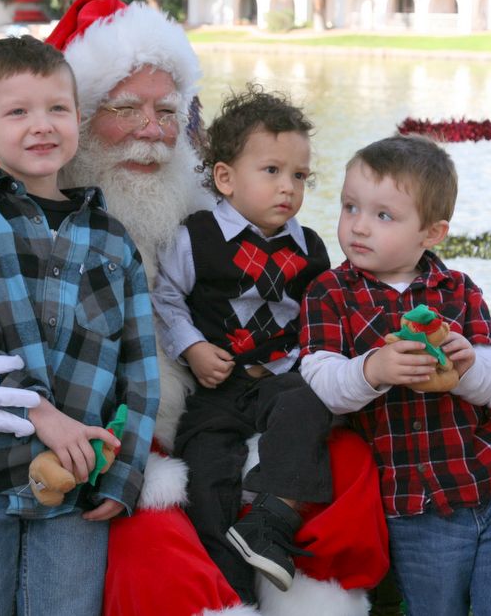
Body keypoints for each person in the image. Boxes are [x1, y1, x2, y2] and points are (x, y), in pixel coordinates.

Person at [0, 0, 412, 615]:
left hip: (196, 424)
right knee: (158, 560)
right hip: (71, 454)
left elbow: (162, 347)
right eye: (125, 108)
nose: (150, 131)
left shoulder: (204, 216)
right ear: (81, 120)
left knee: (345, 465)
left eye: (167, 111)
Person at [0, 34, 156, 614]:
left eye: (56, 109)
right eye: (17, 111)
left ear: (78, 120)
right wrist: (41, 413)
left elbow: (139, 369)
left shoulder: (112, 241)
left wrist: (125, 475)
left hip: (78, 478)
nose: (41, 125)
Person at [299, 134, 491, 616]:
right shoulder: (330, 293)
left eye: (383, 215)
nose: (358, 227)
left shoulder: (457, 290)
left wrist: (468, 367)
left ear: (431, 233)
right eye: (350, 207)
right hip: (415, 506)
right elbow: (320, 382)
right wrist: (372, 370)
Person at [152, 86, 333, 600]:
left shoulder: (311, 249)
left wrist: (304, 361)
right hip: (219, 385)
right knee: (205, 473)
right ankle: (234, 596)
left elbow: (317, 317)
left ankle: (271, 520)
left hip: (282, 380)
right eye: (272, 171)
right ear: (226, 178)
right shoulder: (197, 236)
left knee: (309, 406)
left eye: (299, 175)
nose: (288, 188)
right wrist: (191, 347)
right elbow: (165, 297)